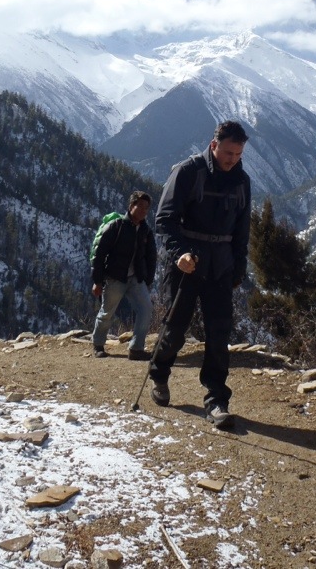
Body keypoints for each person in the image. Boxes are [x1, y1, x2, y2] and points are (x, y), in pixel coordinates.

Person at [149, 120, 251, 429]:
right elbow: (165, 219)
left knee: (219, 334)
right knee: (175, 330)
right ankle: (159, 374)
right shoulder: (188, 171)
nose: (233, 159)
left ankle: (217, 399)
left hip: (221, 267)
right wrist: (179, 252)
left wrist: (239, 266)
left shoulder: (242, 181)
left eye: (238, 154)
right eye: (228, 153)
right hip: (187, 264)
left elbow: (242, 228)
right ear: (213, 145)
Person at [91, 190, 157, 360]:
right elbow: (100, 255)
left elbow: (151, 257)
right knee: (107, 313)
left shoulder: (146, 231)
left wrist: (148, 279)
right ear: (131, 206)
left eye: (146, 208)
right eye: (140, 206)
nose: (143, 210)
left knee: (146, 309)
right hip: (115, 278)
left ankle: (136, 348)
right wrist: (98, 281)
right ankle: (98, 345)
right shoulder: (116, 226)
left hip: (136, 279)